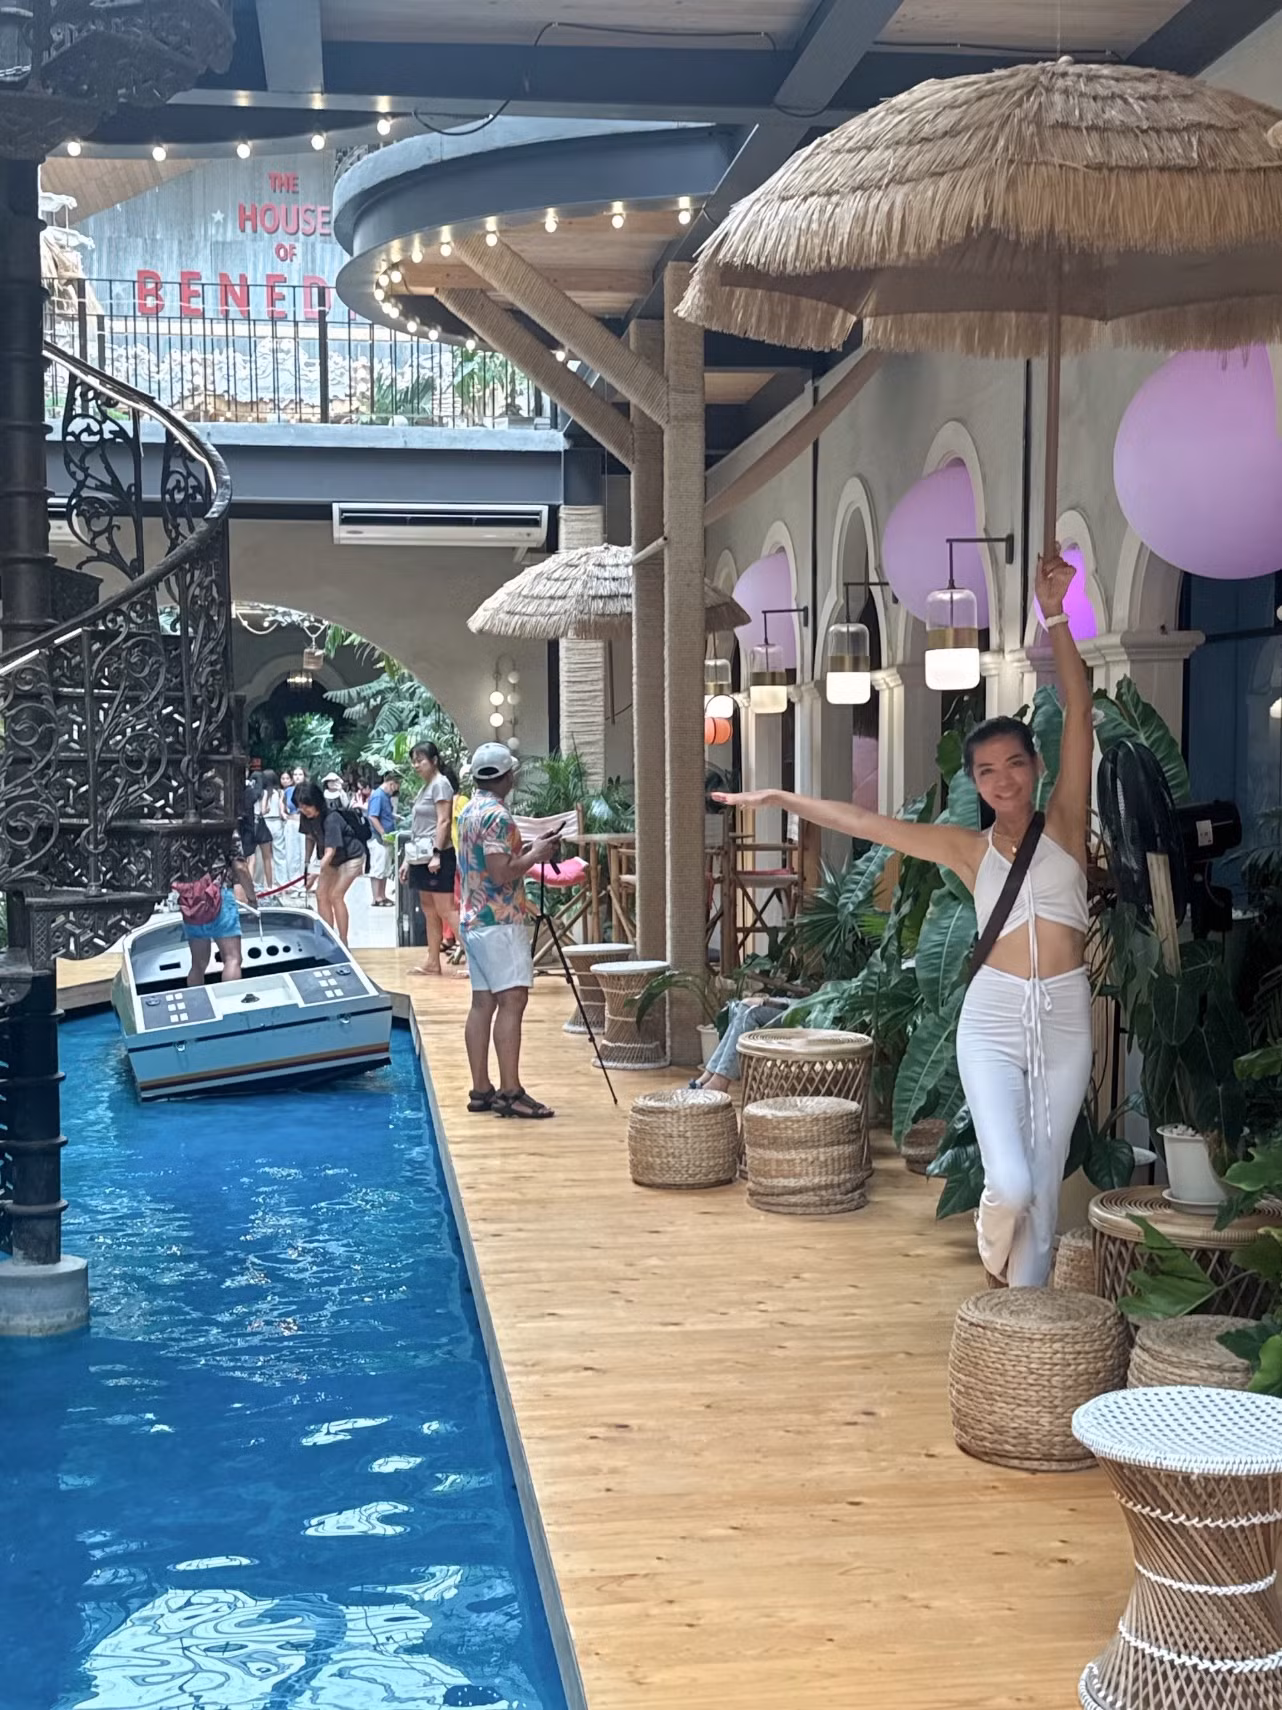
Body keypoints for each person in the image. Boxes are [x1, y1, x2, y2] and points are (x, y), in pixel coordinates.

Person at [715, 551, 1092, 1289]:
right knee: (1012, 1184)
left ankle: (1020, 1317)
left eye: (1014, 764)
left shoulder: (1066, 827)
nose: (1003, 779)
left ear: (1036, 767)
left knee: (1045, 1189)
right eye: (986, 771)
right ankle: (995, 1254)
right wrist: (782, 799)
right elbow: (866, 822)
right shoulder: (966, 850)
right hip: (992, 1017)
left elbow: (1078, 712)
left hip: (1065, 1016)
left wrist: (1056, 614)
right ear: (975, 783)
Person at [456, 742, 558, 1119]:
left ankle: (481, 1089)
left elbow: (487, 861)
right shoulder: (498, 815)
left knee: (482, 1003)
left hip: (473, 917)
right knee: (512, 1001)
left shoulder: (469, 810)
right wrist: (536, 855)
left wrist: (524, 851)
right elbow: (500, 873)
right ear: (508, 776)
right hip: (499, 920)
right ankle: (511, 1091)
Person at [400, 743, 461, 976]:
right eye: (414, 761)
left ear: (434, 761)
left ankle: (476, 962)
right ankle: (433, 961)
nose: (416, 765)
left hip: (437, 855)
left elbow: (443, 821)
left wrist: (437, 853)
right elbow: (418, 827)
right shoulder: (425, 788)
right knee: (428, 909)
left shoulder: (440, 784)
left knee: (446, 909)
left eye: (420, 760)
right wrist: (407, 860)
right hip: (420, 856)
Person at [295, 780, 367, 944]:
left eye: (307, 806)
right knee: (321, 894)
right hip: (329, 859)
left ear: (316, 802)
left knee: (336, 895)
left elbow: (330, 851)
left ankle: (343, 941)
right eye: (300, 806)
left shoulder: (331, 818)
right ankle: (328, 938)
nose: (304, 810)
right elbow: (309, 838)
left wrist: (314, 874)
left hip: (351, 856)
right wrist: (307, 864)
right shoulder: (305, 817)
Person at [366, 769, 400, 909]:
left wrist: (394, 817)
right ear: (391, 784)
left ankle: (382, 895)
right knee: (378, 868)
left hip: (387, 838)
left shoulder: (385, 797)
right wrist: (382, 833)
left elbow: (384, 814)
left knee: (385, 868)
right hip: (379, 839)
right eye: (395, 788)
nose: (394, 791)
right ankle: (376, 897)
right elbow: (373, 816)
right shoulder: (378, 796)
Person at [256, 769, 287, 898]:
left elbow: (263, 810)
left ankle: (266, 885)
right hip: (277, 822)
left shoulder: (263, 793)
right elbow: (282, 809)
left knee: (266, 856)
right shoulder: (280, 792)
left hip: (266, 823)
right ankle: (282, 883)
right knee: (280, 855)